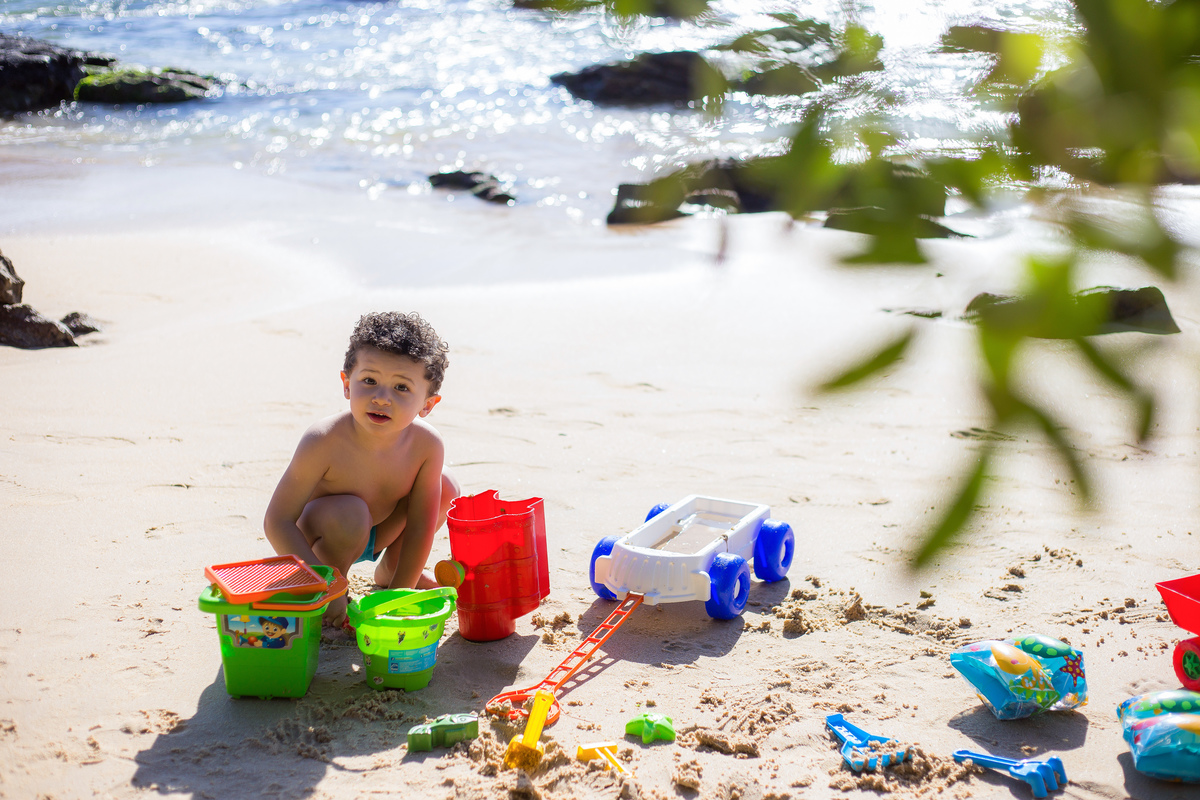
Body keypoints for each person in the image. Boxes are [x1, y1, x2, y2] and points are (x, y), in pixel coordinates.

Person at [264, 311, 461, 627]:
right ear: (346, 383)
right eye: (369, 381)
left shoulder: (427, 446)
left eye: (401, 388)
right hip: (320, 542)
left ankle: (389, 573)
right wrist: (325, 584)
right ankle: (330, 592)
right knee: (351, 514)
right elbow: (277, 521)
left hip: (378, 531)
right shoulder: (324, 440)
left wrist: (398, 595)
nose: (382, 398)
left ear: (427, 404)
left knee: (446, 485)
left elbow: (422, 524)